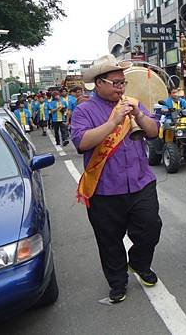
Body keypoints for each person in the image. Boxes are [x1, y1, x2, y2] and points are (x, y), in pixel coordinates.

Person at [70, 54, 161, 305]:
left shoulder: (133, 102)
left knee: (150, 227)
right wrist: (114, 121)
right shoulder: (83, 110)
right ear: (98, 83)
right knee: (109, 240)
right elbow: (82, 143)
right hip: (104, 188)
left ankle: (140, 264)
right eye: (115, 83)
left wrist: (139, 117)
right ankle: (117, 282)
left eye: (123, 83)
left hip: (141, 181)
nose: (121, 87)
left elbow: (153, 132)